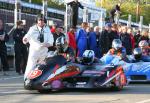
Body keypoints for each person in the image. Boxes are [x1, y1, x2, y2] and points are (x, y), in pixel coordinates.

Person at [23, 14, 54, 79]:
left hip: (44, 50)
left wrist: (49, 43)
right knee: (31, 65)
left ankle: (40, 80)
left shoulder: (47, 29)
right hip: (34, 50)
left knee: (42, 66)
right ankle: (27, 79)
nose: (41, 21)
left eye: (42, 20)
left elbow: (51, 37)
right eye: (39, 20)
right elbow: (28, 35)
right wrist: (25, 39)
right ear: (37, 21)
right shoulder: (32, 28)